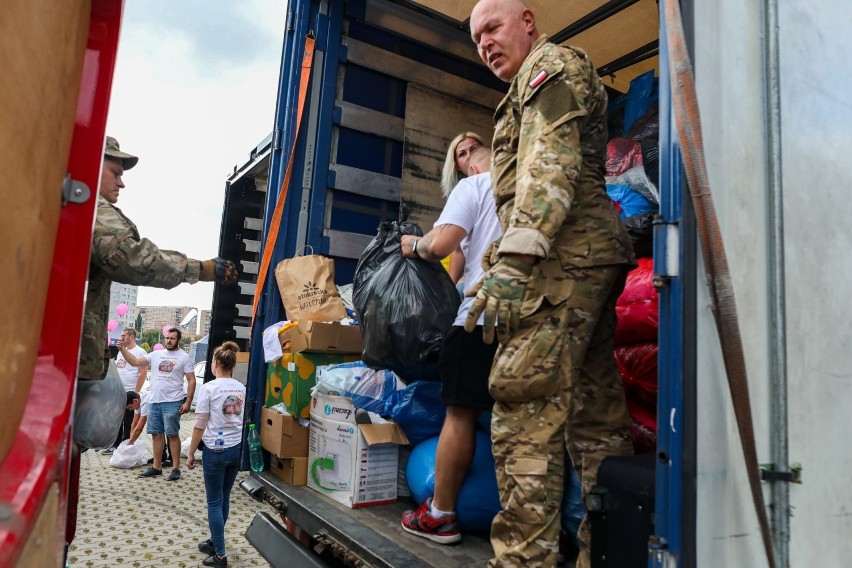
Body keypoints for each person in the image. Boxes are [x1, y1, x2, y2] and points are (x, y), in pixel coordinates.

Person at [467, 1, 637, 566]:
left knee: (521, 404)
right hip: (583, 258)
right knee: (594, 415)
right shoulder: (524, 89)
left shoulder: (552, 67)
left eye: (492, 27)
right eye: (476, 39)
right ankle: (607, 553)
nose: (485, 43)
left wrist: (514, 264)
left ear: (528, 21)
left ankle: (522, 558)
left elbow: (551, 164)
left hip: (564, 264)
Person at [399, 143, 502, 544]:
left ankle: (440, 514)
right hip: (531, 319)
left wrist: (415, 245)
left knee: (460, 414)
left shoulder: (474, 186)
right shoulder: (533, 183)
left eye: (472, 146)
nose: (470, 154)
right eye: (460, 151)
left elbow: (440, 246)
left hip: (481, 317)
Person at [78, 136, 237, 384]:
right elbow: (133, 259)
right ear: (91, 166)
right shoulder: (93, 210)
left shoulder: (77, 209)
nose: (121, 183)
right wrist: (202, 269)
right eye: (115, 173)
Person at [186, 341, 246, 567]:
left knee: (214, 502)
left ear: (216, 363)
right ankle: (214, 540)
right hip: (234, 449)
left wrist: (191, 453)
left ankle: (220, 554)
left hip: (215, 451)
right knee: (224, 498)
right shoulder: (240, 387)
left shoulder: (209, 388)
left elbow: (200, 424)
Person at [119, 328, 195, 481]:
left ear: (178, 340)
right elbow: (134, 362)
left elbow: (191, 380)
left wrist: (188, 401)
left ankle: (175, 468)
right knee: (155, 434)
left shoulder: (184, 357)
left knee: (172, 434)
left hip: (172, 402)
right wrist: (122, 349)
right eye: (167, 338)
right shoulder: (156, 355)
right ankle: (157, 467)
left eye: (172, 338)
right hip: (154, 401)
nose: (169, 341)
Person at [101, 328, 147, 454]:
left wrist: (136, 392)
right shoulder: (121, 351)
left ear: (131, 337)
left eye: (123, 336)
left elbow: (142, 373)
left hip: (130, 392)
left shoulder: (140, 352)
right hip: (118, 392)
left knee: (128, 421)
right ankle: (115, 445)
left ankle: (126, 444)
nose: (121, 338)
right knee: (116, 420)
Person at [127, 390, 173, 468]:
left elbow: (139, 427)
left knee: (169, 431)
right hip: (159, 404)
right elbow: (134, 423)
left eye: (130, 407)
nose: (130, 410)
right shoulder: (138, 400)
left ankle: (172, 459)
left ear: (135, 401)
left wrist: (130, 443)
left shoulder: (145, 402)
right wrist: (131, 439)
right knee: (159, 430)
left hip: (169, 402)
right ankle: (162, 456)